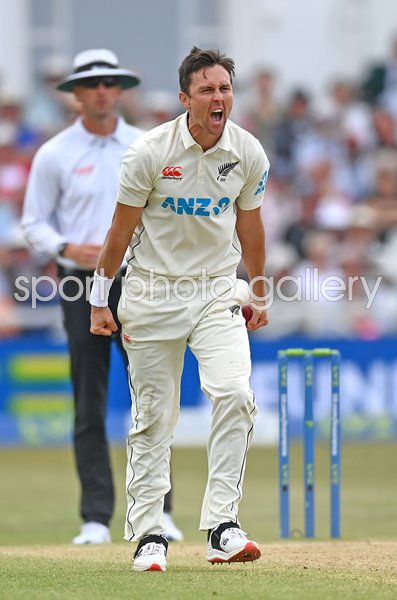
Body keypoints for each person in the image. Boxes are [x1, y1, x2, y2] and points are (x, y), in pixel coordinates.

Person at [90, 46, 270, 571]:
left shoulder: (247, 152)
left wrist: (257, 291)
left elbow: (251, 225)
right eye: (208, 90)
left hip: (216, 290)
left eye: (225, 89)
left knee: (235, 394)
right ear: (185, 98)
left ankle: (222, 527)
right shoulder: (149, 152)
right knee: (153, 420)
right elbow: (119, 231)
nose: (219, 99)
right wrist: (100, 302)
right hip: (150, 291)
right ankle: (149, 534)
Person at [21, 48, 183, 544]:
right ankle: (96, 517)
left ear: (120, 89)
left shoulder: (145, 144)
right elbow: (32, 223)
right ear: (75, 95)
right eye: (92, 85)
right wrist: (67, 246)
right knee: (89, 403)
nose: (102, 91)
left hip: (138, 282)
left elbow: (167, 210)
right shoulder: (54, 154)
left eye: (110, 83)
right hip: (79, 283)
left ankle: (158, 511)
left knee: (151, 398)